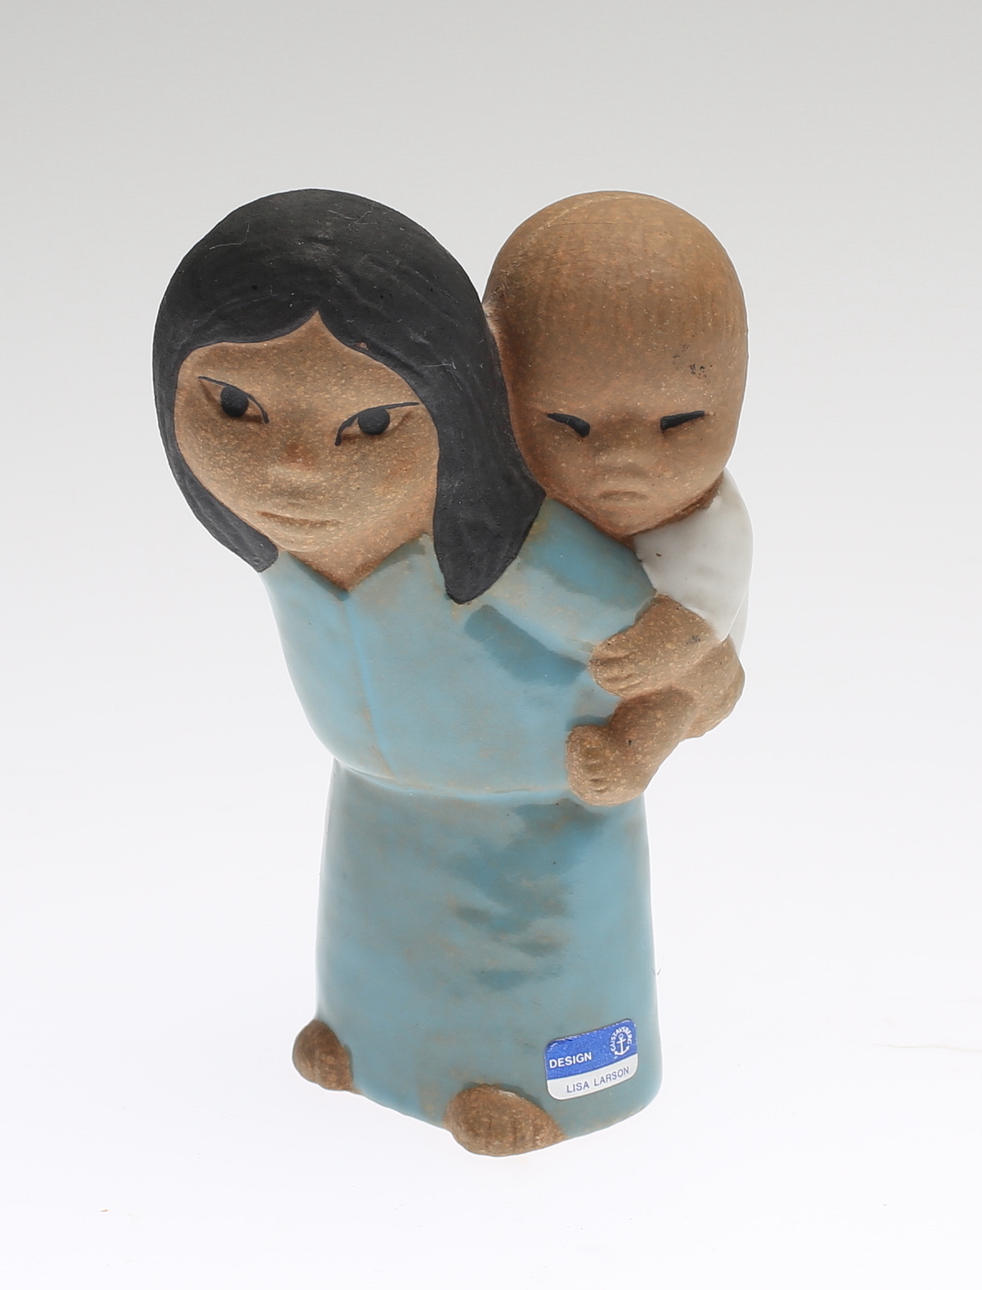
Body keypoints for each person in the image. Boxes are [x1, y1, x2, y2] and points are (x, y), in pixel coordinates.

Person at [154, 190, 683, 1154]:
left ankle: (544, 1079)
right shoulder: (282, 553)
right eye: (234, 407)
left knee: (527, 949)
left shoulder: (521, 559)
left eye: (368, 424)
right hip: (372, 796)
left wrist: (643, 738)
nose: (297, 470)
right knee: (372, 922)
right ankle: (368, 1044)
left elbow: (690, 664)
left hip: (534, 821)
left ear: (457, 408)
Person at [484, 191, 752, 805]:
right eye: (570, 425)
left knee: (680, 691)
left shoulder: (712, 515)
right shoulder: (502, 494)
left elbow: (714, 593)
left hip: (686, 669)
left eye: (678, 423)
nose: (623, 459)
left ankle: (633, 755)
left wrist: (678, 637)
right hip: (523, 706)